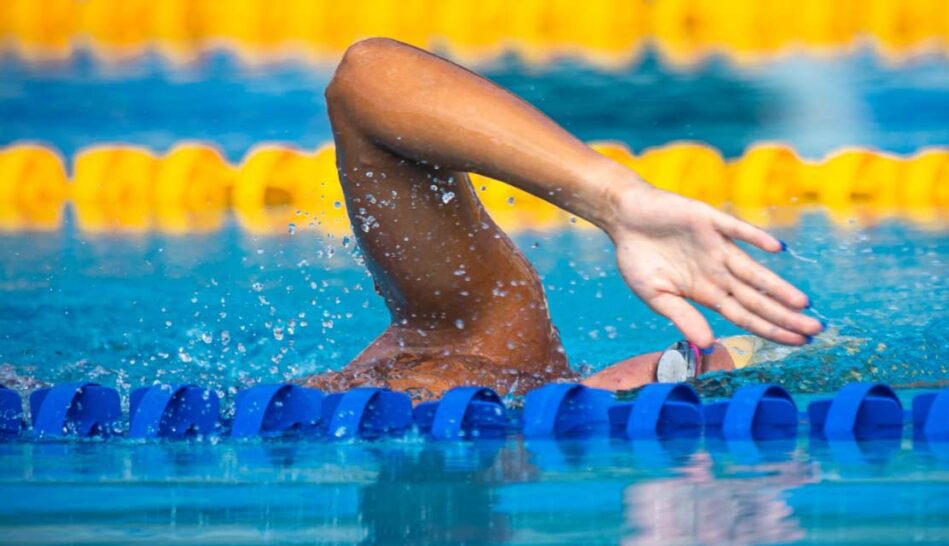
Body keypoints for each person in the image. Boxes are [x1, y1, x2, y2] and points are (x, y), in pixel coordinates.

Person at [306, 38, 822, 400]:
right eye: (675, 360)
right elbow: (368, 79)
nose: (641, 378)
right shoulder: (492, 343)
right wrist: (617, 200)